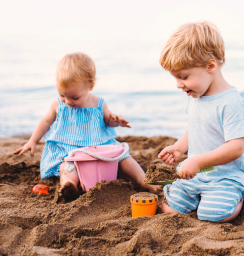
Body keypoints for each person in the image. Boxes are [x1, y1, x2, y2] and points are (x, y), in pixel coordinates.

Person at [14, 52, 158, 200]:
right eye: (63, 95)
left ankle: (144, 180)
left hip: (98, 145)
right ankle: (69, 186)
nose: (68, 101)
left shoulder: (98, 103)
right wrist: (33, 141)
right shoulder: (57, 104)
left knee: (124, 158)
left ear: (91, 86)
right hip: (69, 148)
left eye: (74, 97)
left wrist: (116, 121)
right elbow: (45, 122)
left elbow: (108, 120)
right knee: (67, 166)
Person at [157, 21, 244, 222]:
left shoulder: (231, 102)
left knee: (212, 215)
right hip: (196, 175)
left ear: (210, 66)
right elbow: (195, 128)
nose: (178, 85)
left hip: (227, 176)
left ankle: (237, 197)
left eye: (183, 76)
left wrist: (197, 161)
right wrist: (178, 148)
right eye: (175, 78)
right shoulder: (195, 96)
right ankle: (201, 195)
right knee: (170, 207)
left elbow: (235, 148)